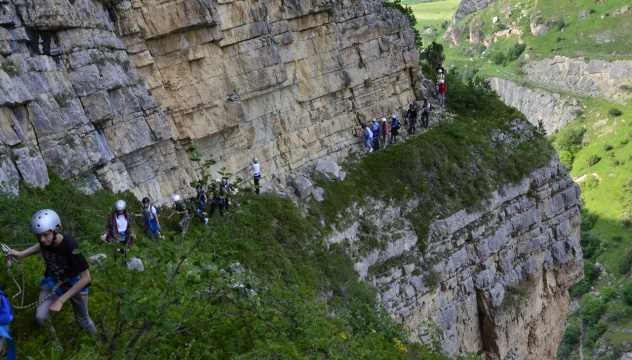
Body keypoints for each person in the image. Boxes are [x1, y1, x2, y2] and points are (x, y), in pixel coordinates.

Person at [4, 209, 96, 340]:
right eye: (38, 236)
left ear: (56, 229)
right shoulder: (46, 240)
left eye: (45, 235)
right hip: (54, 280)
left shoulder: (70, 247)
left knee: (83, 321)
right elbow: (41, 245)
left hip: (75, 284)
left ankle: (97, 344)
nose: (42, 239)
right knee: (41, 317)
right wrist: (21, 254)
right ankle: (55, 351)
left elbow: (86, 278)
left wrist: (61, 300)